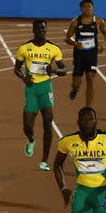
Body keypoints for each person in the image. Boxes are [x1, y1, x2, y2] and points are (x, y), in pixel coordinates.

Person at [14, 19, 67, 171]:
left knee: (48, 123)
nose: (40, 31)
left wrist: (55, 71)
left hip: (45, 87)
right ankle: (31, 139)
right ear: (33, 30)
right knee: (27, 125)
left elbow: (64, 70)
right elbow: (16, 69)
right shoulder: (24, 48)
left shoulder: (53, 49)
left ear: (46, 30)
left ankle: (44, 160)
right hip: (31, 89)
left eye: (43, 28)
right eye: (38, 29)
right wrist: (23, 77)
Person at [65, 0, 106, 106]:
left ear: (93, 8)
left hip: (92, 55)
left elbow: (105, 34)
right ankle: (75, 89)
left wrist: (102, 45)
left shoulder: (98, 21)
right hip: (79, 55)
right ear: (81, 9)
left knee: (90, 79)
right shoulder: (75, 22)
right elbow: (67, 38)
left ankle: (88, 107)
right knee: (76, 83)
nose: (88, 9)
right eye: (85, 7)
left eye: (90, 7)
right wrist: (75, 43)